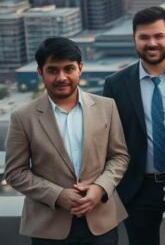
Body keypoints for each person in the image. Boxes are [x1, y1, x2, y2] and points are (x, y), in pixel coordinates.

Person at [5, 37, 129, 245]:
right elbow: (15, 172)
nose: (61, 77)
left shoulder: (106, 107)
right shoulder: (23, 117)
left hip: (101, 222)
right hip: (49, 226)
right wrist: (58, 195)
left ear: (80, 68)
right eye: (53, 70)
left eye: (68, 69)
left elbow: (119, 156)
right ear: (40, 72)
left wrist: (100, 188)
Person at [102, 7, 165, 245]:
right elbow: (107, 139)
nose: (152, 43)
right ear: (134, 40)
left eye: (158, 36)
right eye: (144, 37)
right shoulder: (115, 85)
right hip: (139, 189)